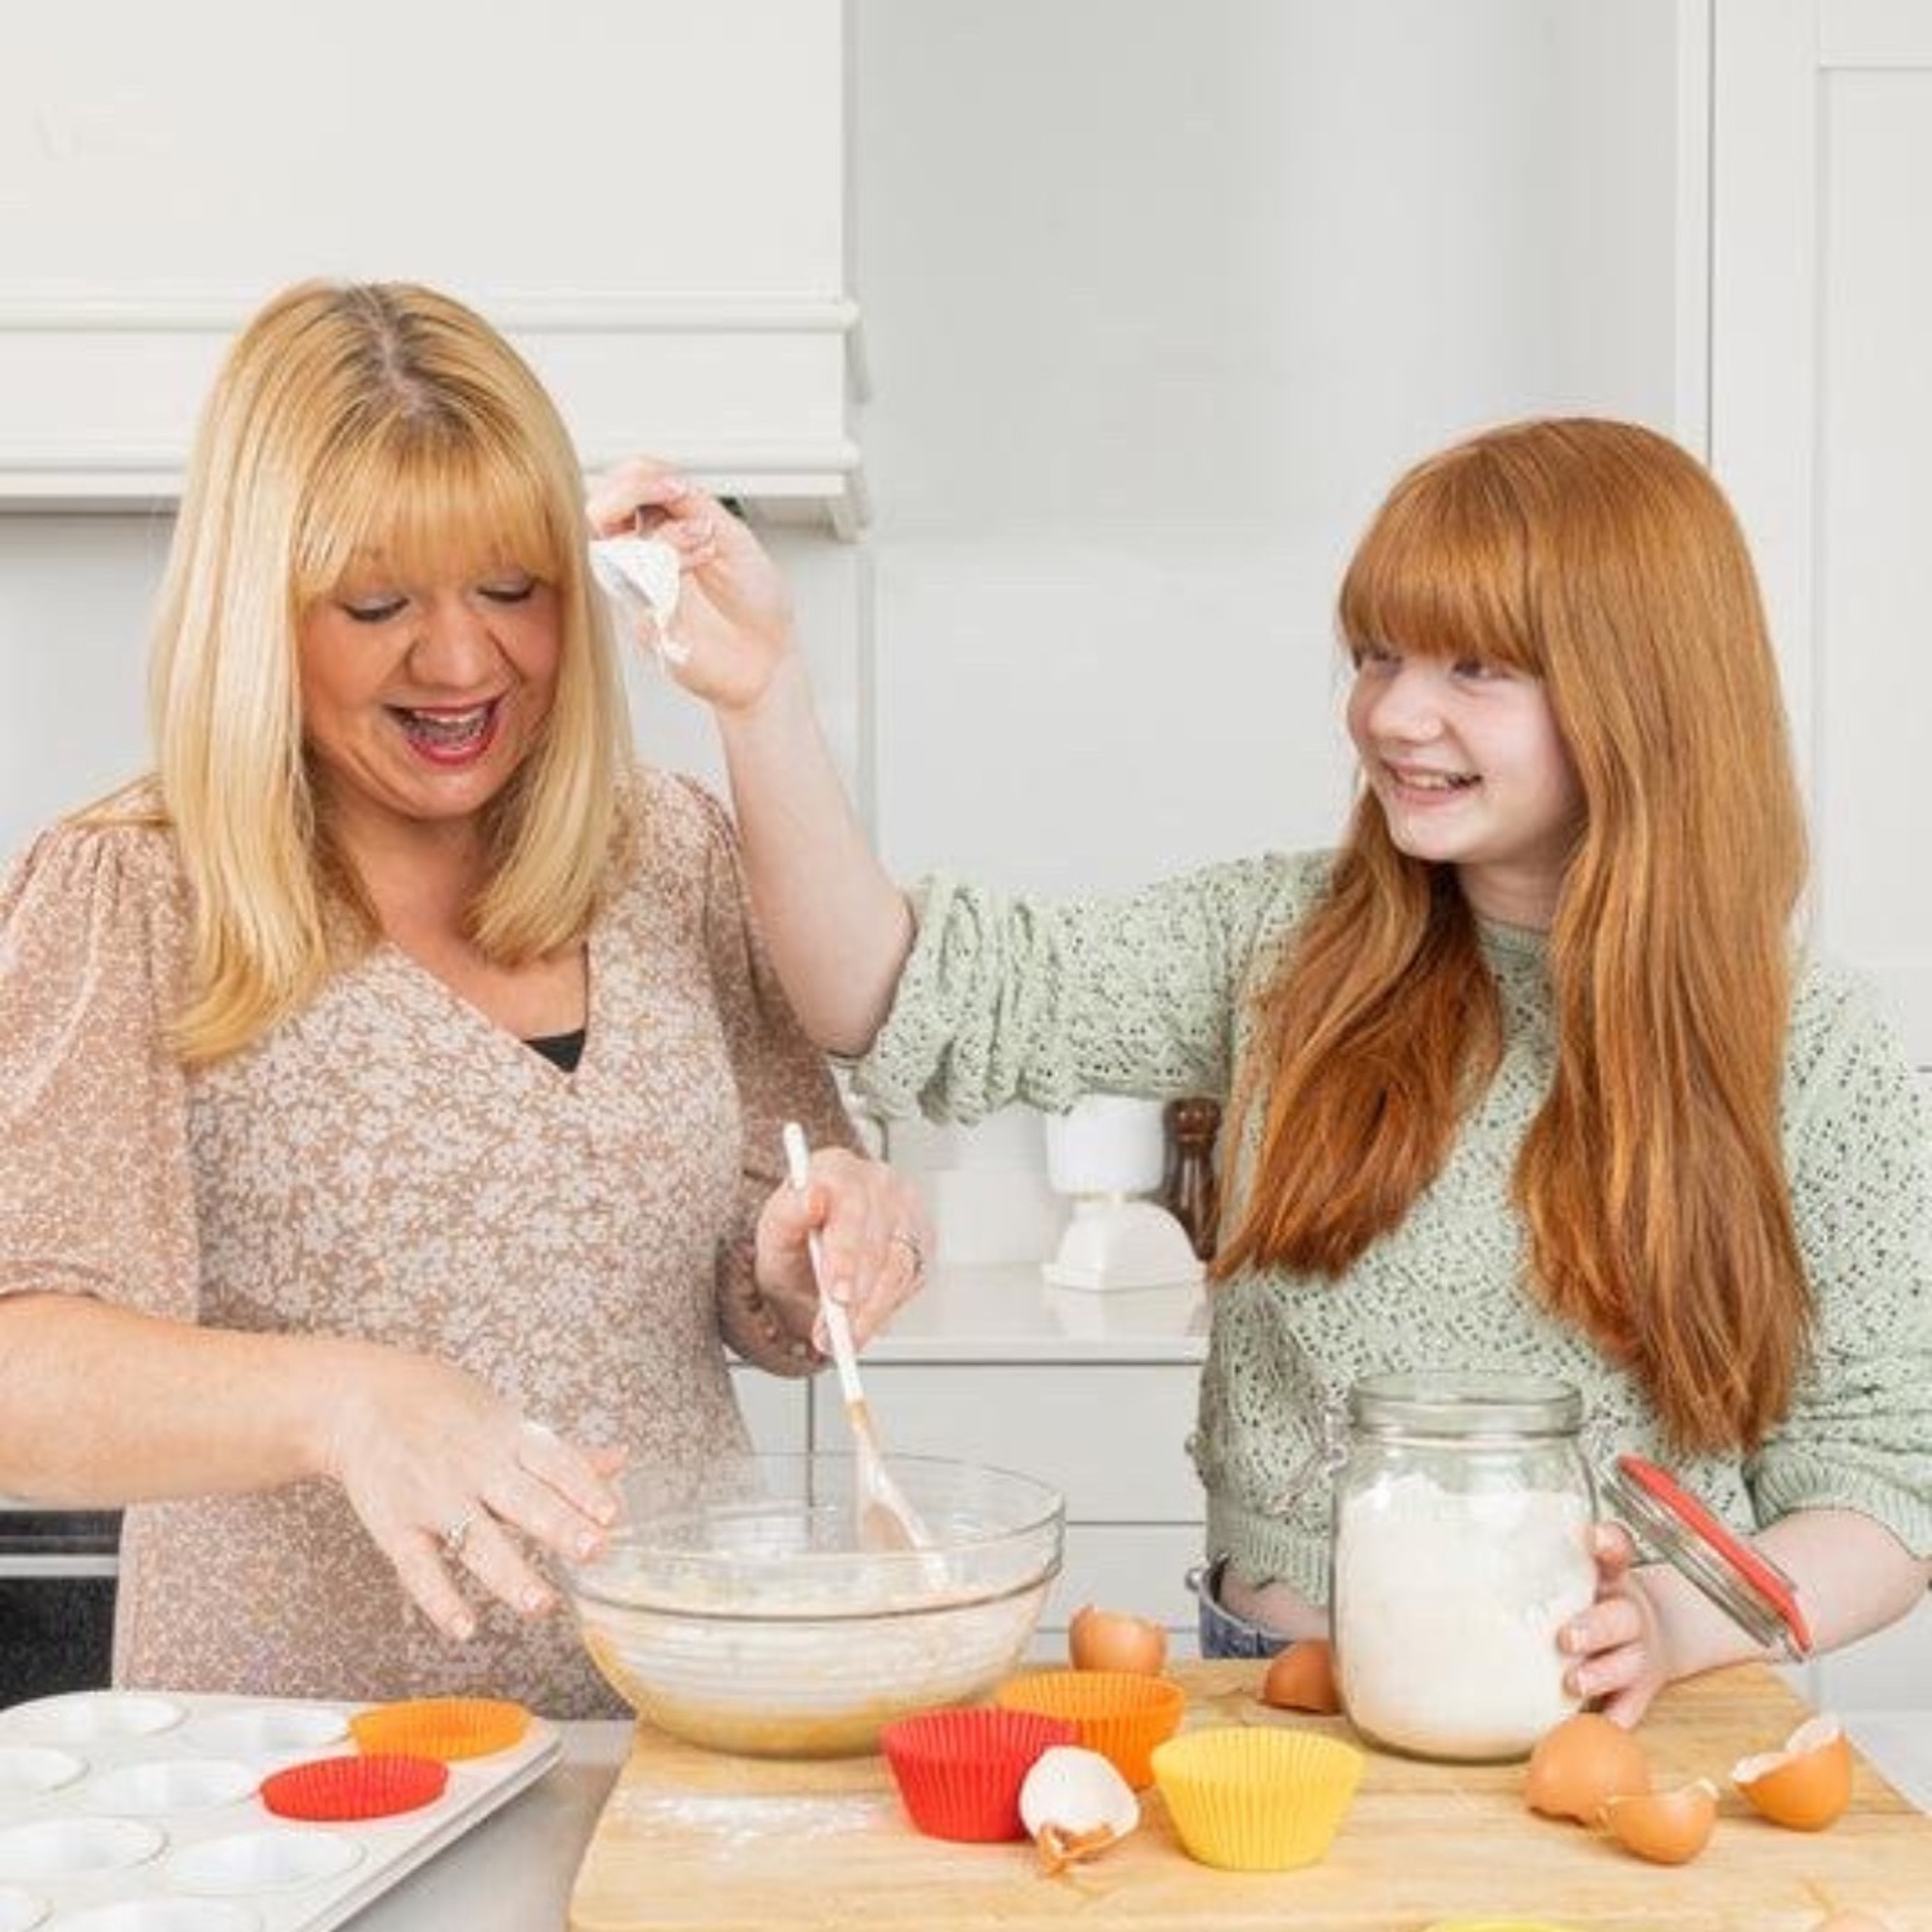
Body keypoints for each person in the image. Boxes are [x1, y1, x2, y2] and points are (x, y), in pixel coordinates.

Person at [589, 419, 1931, 1725]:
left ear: (1646, 693)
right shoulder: (1283, 949)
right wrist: (761, 696)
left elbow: (1891, 1477)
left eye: (1478, 668)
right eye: (1380, 653)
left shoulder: (1814, 1051)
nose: (1395, 712)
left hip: (1623, 1723)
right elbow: (888, 990)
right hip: (1281, 1703)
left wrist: (1680, 1626)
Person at [0, 279, 931, 1718]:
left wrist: (813, 1256)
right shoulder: (132, 892)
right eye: (378, 604)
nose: (458, 660)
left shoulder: (666, 849)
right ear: (259, 614)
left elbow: (767, 1257)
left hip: (669, 1732)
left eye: (512, 590)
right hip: (304, 1768)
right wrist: (339, 1402)